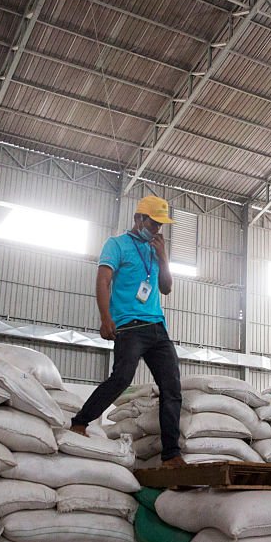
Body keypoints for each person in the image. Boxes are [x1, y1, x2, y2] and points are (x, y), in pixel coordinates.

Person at [70, 195, 186, 468]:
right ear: (138, 219)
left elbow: (166, 288)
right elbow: (103, 280)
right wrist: (105, 317)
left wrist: (164, 257)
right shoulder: (116, 245)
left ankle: (171, 454)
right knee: (121, 377)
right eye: (154, 223)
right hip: (129, 326)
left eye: (161, 225)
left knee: (172, 388)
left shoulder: (154, 250)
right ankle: (79, 422)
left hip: (157, 327)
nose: (157, 229)